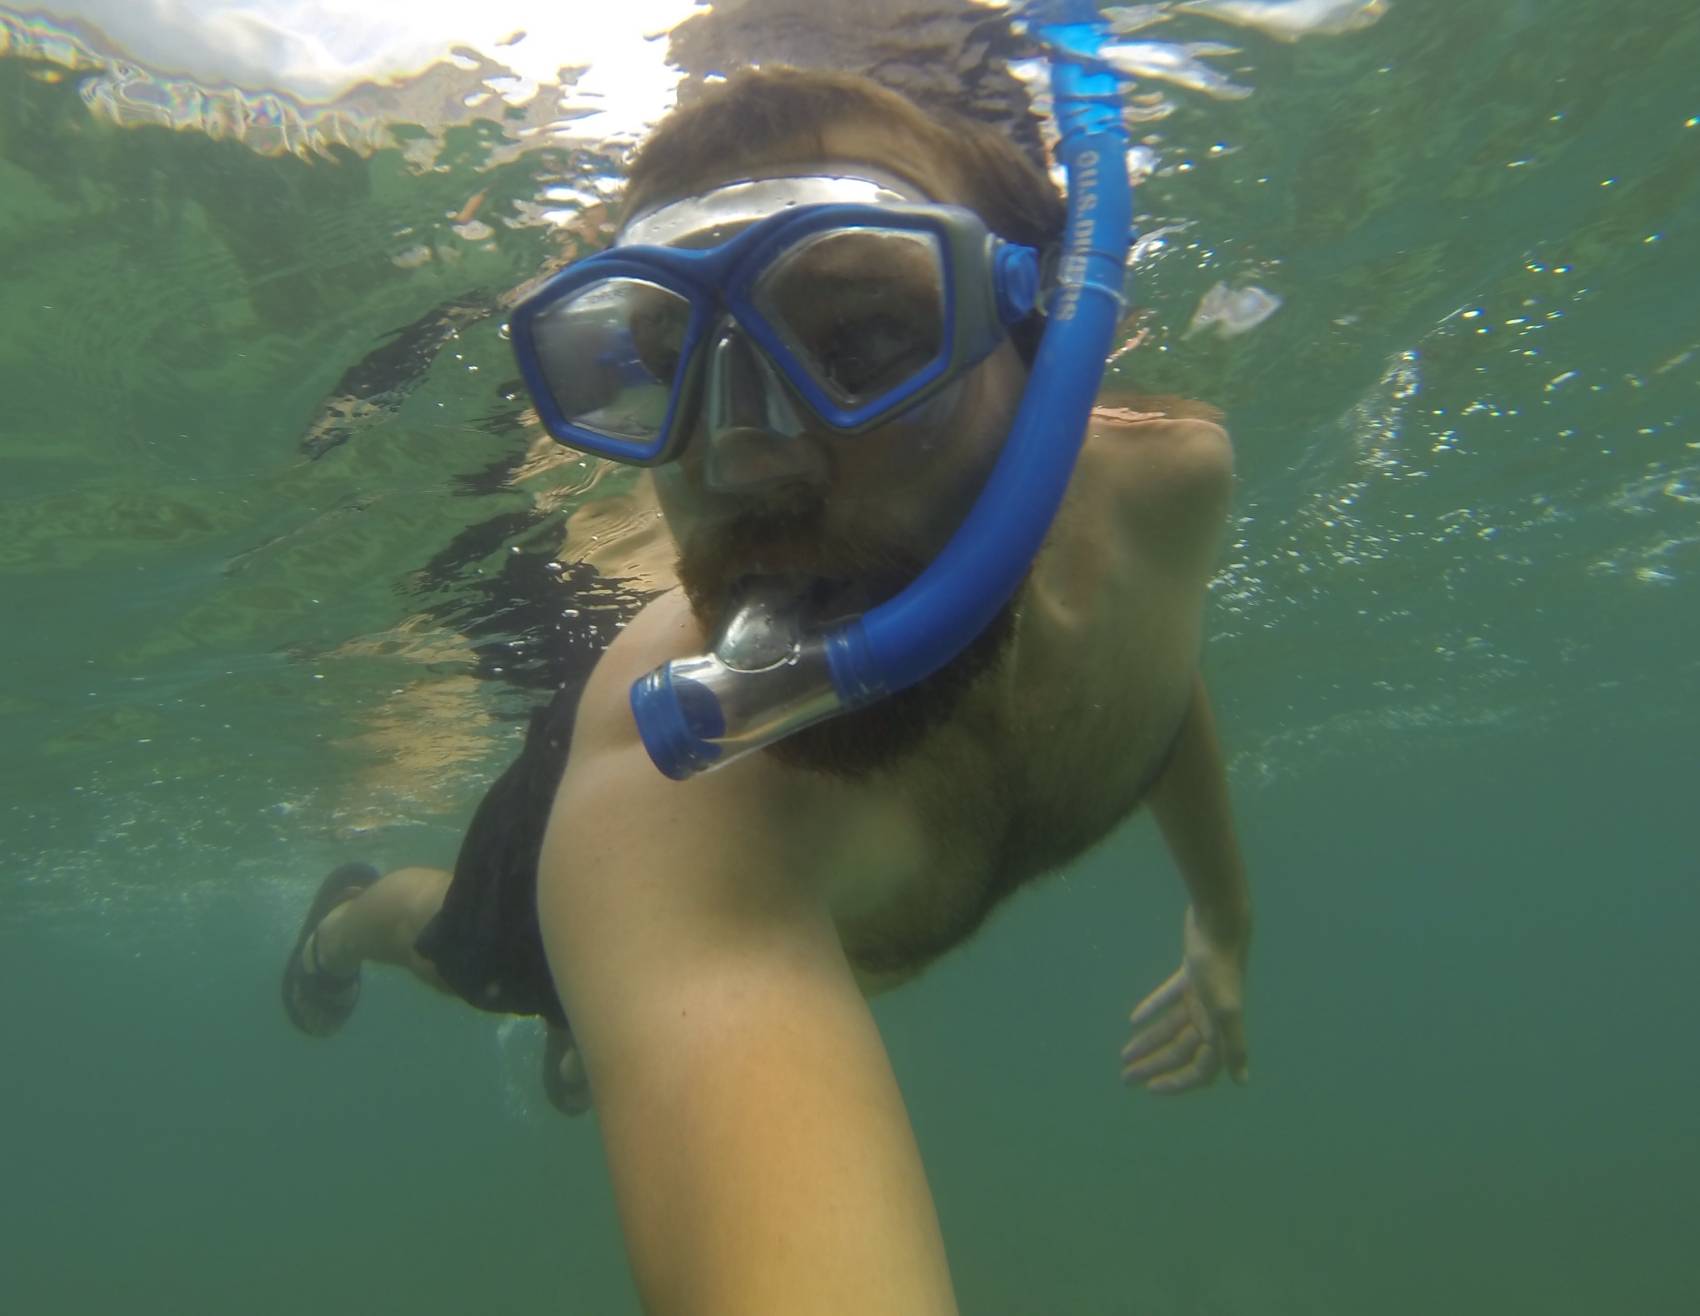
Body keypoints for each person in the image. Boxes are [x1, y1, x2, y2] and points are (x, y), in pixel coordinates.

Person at [281, 65, 1251, 1316]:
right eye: (660, 362)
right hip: (581, 842)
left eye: (864, 336)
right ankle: (348, 923)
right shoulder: (666, 805)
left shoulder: (1165, 487)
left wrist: (1220, 918)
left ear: (1046, 347)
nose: (738, 457)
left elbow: (1150, 674)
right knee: (479, 957)